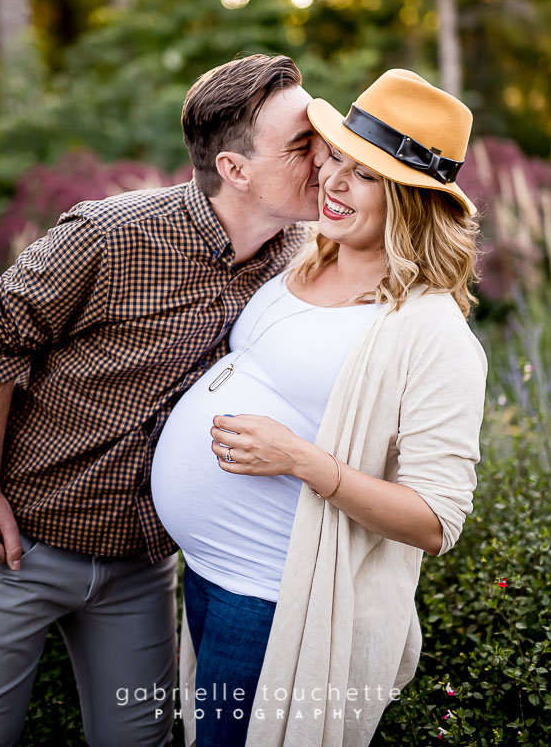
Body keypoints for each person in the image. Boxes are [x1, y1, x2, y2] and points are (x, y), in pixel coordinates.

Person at [0, 53, 329, 747]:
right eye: (302, 145)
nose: (325, 159)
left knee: (139, 742)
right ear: (234, 169)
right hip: (18, 539)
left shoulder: (301, 261)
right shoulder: (109, 236)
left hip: (141, 562)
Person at [151, 68, 488, 747]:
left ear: (412, 201)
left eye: (364, 174)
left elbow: (436, 520)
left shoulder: (431, 332)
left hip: (275, 599)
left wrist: (304, 462)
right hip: (208, 576)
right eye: (334, 156)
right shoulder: (300, 257)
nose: (331, 180)